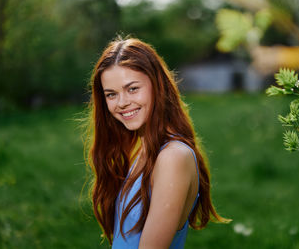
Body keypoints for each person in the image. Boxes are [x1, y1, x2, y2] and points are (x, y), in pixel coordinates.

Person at [85, 36, 230, 248]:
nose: (122, 103)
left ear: (157, 85)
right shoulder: (145, 152)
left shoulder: (173, 157)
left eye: (132, 88)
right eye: (111, 94)